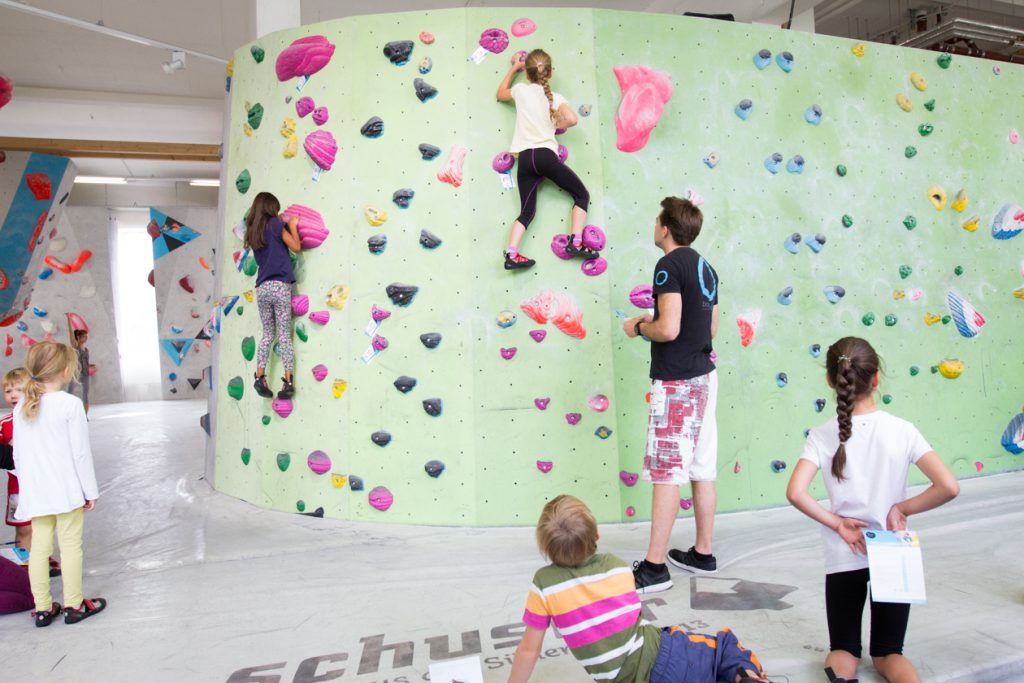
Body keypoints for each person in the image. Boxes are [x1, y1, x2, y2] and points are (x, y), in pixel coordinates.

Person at [786, 337, 959, 683]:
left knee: (844, 650)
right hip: (894, 552)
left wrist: (837, 524)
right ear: (876, 379)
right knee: (889, 653)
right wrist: (901, 508)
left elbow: (795, 492)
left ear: (831, 381)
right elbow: (949, 486)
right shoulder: (902, 431)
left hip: (844, 552)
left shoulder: (822, 436)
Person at [508, 495, 769, 683]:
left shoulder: (544, 584)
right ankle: (745, 677)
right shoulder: (617, 567)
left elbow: (529, 650)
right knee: (725, 648)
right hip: (664, 655)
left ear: (546, 549)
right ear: (596, 536)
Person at [623, 197, 720, 594]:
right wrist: (658, 321)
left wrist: (639, 327)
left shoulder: (667, 266)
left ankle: (655, 568)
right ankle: (703, 553)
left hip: (678, 383)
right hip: (705, 379)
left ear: (665, 227)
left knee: (666, 473)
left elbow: (669, 329)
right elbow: (710, 328)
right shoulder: (706, 267)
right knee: (701, 467)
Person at [14, 341, 106, 627]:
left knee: (39, 549)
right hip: (66, 490)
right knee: (70, 547)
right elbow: (80, 453)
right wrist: (89, 491)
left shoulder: (21, 407)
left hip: (37, 492)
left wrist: (27, 492)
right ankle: (73, 604)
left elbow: (18, 455)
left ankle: (42, 608)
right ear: (67, 370)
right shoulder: (70, 404)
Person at [496, 49, 594, 270]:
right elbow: (573, 119)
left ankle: (511, 254)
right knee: (582, 195)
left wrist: (514, 67)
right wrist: (555, 125)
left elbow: (500, 93)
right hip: (544, 156)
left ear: (527, 74)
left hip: (525, 161)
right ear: (550, 73)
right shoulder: (555, 98)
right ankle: (576, 242)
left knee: (527, 212)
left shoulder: (520, 91)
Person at [2, 369, 62, 578]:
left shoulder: (41, 418)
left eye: (18, 389)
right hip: (18, 488)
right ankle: (27, 568)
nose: (12, 394)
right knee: (25, 529)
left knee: (43, 526)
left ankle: (43, 559)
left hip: (43, 484)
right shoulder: (5, 424)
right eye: (8, 390)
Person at [244, 191, 301, 400]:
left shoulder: (253, 232)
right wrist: (292, 226)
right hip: (279, 286)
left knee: (268, 334)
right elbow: (295, 246)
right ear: (270, 208)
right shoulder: (276, 226)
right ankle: (288, 382)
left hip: (262, 289)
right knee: (284, 335)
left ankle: (260, 376)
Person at [68, 327, 90, 414]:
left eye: (86, 336)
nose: (86, 338)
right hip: (76, 374)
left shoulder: (86, 349)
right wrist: (68, 318)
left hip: (86, 374)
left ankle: (85, 415)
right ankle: (69, 412)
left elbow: (85, 362)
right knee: (70, 393)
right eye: (84, 336)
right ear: (78, 337)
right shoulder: (75, 347)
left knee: (85, 395)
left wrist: (91, 366)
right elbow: (71, 334)